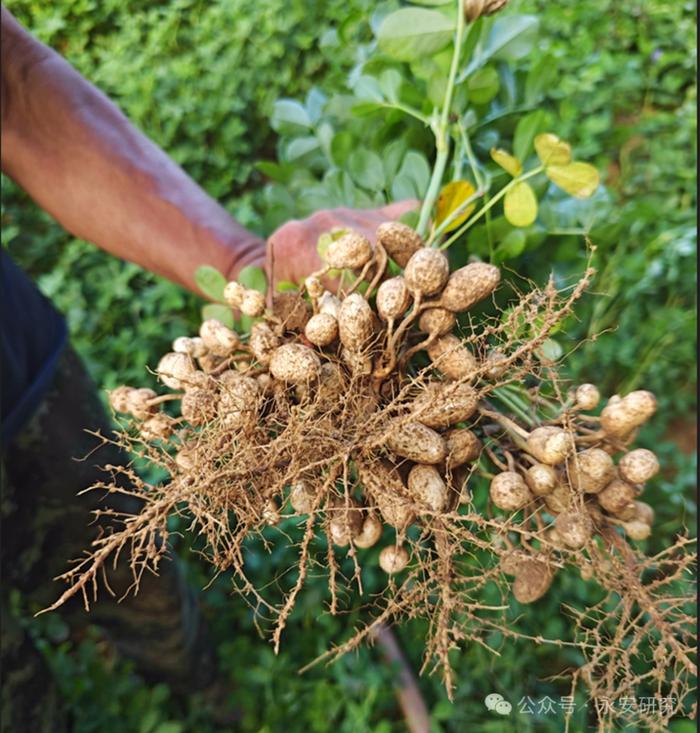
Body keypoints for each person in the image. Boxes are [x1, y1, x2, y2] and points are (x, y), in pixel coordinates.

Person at [0, 6, 415, 730]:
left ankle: (200, 686)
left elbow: (10, 87)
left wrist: (242, 265)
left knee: (116, 540)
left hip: (17, 370)